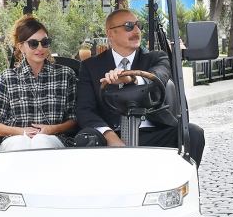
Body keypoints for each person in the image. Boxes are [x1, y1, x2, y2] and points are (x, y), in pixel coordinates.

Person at [75, 9, 205, 165]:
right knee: (85, 140)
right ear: (110, 33)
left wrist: (131, 78)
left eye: (139, 25)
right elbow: (84, 109)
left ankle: (182, 186)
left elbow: (158, 76)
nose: (136, 30)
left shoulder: (156, 58)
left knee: (193, 133)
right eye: (129, 26)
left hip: (152, 132)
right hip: (110, 134)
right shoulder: (91, 66)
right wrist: (110, 136)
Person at [0, 15, 77, 152]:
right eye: (33, 43)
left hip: (54, 139)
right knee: (20, 144)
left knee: (41, 141)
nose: (40, 48)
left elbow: (74, 119)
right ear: (21, 47)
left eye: (45, 42)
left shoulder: (65, 75)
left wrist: (52, 129)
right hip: (15, 139)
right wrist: (21, 132)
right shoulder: (7, 78)